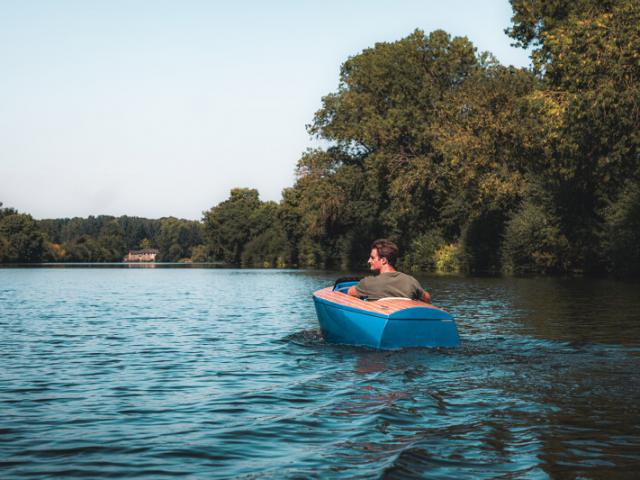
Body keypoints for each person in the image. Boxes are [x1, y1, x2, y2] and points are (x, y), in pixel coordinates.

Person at [347, 239, 431, 303]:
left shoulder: (368, 283)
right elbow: (427, 298)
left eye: (372, 258)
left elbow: (350, 292)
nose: (369, 261)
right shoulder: (410, 281)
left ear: (383, 260)